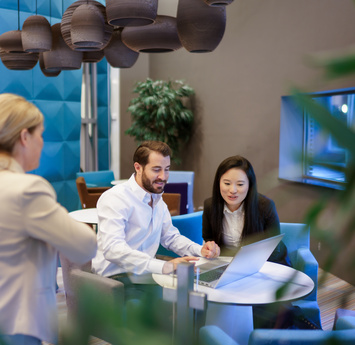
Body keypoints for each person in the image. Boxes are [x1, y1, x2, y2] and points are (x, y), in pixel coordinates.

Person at [0, 93, 97, 345]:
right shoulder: (28, 189)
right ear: (24, 137)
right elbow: (85, 245)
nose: (42, 143)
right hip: (17, 325)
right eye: (40, 134)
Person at [202, 155, 322, 330]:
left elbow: (273, 248)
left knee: (258, 305)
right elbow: (208, 238)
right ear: (218, 183)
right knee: (217, 301)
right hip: (230, 271)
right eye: (226, 183)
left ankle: (291, 321)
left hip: (267, 266)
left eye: (240, 184)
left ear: (250, 185)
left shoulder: (265, 206)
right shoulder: (210, 206)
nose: (232, 190)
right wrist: (209, 248)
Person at [92, 141, 220, 291]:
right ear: (138, 168)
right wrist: (164, 266)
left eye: (166, 169)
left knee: (202, 287)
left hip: (144, 275)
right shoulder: (115, 198)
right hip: (115, 279)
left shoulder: (158, 201)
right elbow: (113, 249)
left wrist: (200, 250)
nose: (163, 176)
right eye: (156, 169)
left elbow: (171, 237)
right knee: (186, 293)